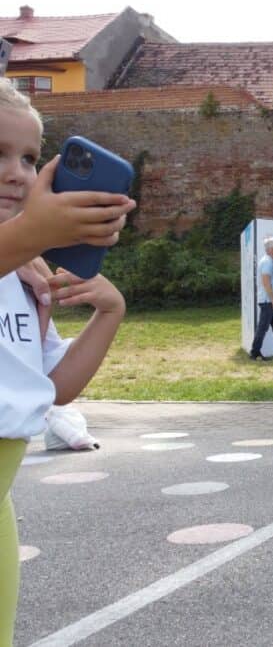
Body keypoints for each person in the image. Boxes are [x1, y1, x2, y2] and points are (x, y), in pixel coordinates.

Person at [1, 76, 132, 645]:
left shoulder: (24, 273)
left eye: (29, 157)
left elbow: (51, 389)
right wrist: (30, 234)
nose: (17, 173)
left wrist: (109, 312)